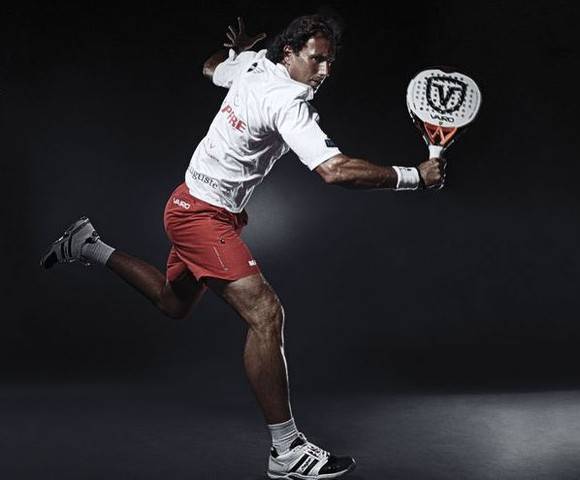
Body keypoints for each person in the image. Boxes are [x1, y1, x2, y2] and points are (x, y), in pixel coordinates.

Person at [41, 14, 444, 479]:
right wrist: (413, 177)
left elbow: (211, 67)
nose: (324, 71)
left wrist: (237, 50)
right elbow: (334, 170)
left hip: (194, 204)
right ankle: (286, 450)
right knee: (266, 314)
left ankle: (87, 245)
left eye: (330, 62)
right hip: (200, 217)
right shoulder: (287, 101)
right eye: (316, 59)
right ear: (289, 53)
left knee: (172, 303)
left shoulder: (253, 66)